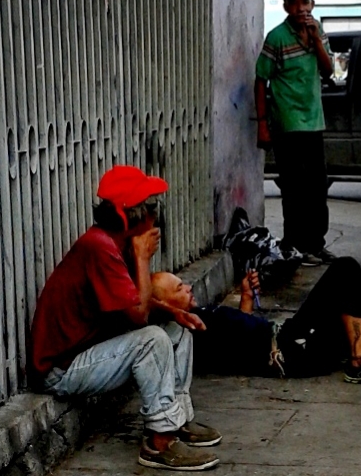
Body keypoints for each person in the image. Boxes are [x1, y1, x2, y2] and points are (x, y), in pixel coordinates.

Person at [28, 165, 221, 472]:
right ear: (133, 215)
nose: (155, 218)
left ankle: (178, 418)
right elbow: (139, 317)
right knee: (152, 340)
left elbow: (134, 302)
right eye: (152, 210)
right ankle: (160, 442)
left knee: (176, 329)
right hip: (61, 368)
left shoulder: (116, 244)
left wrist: (174, 312)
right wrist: (143, 258)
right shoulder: (100, 247)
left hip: (89, 351)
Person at [151, 257, 361, 385]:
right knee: (344, 270)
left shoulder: (200, 316)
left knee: (349, 290)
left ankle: (358, 352)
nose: (189, 287)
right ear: (167, 306)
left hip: (290, 338)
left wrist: (246, 297)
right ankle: (360, 361)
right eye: (180, 289)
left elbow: (237, 339)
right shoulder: (189, 329)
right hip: (290, 350)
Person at [255, 0, 336, 268]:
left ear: (312, 5)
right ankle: (295, 244)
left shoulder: (318, 32)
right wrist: (262, 124)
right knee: (294, 188)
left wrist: (315, 39)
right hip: (286, 124)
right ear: (287, 7)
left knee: (317, 188)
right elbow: (260, 80)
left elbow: (328, 71)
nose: (302, 8)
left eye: (306, 2)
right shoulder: (276, 37)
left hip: (313, 122)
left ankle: (316, 244)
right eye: (296, 3)